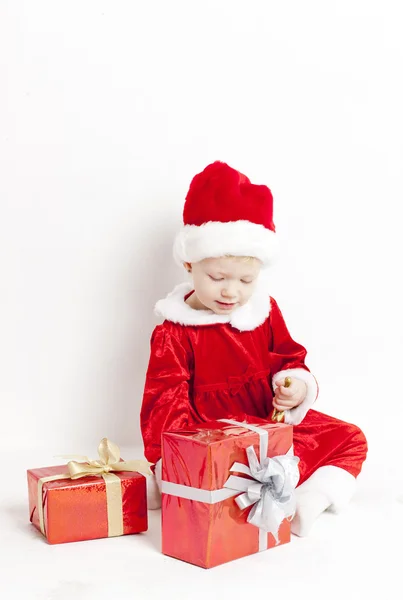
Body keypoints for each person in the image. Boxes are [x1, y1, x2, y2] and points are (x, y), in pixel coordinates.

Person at [140, 161, 368, 536]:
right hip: (211, 435)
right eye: (218, 278)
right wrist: (174, 461)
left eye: (246, 279)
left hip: (267, 424)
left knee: (348, 437)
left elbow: (290, 357)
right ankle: (216, 490)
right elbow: (163, 403)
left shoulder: (263, 310)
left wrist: (293, 387)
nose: (232, 291)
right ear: (189, 263)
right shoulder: (175, 331)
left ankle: (310, 498)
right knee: (233, 471)